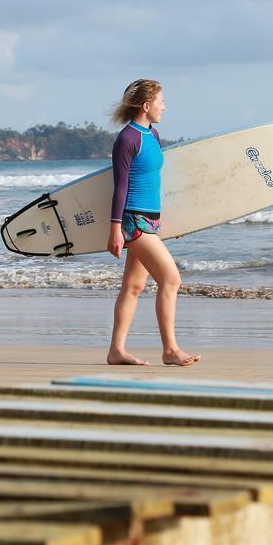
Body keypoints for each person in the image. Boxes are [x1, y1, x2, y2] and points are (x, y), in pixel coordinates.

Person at [105, 79, 200, 367]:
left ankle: (116, 351)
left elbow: (154, 183)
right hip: (133, 221)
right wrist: (115, 230)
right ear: (146, 106)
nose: (164, 106)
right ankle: (170, 350)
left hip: (151, 220)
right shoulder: (128, 138)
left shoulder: (152, 135)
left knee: (133, 287)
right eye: (160, 101)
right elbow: (120, 187)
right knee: (171, 279)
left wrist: (169, 222)